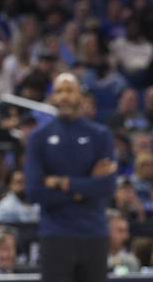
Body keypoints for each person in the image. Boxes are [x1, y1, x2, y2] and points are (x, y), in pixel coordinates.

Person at [26, 73, 116, 282]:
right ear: (52, 97)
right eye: (59, 91)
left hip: (94, 235)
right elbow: (34, 192)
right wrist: (84, 188)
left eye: (69, 90)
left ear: (80, 96)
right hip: (55, 236)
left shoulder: (100, 135)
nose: (64, 96)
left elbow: (107, 186)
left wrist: (61, 183)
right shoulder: (39, 137)